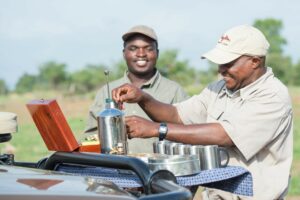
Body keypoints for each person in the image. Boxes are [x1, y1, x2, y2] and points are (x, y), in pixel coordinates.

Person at [112, 25, 293, 199]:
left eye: (228, 63)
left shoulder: (272, 95)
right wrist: (143, 98)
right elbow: (177, 115)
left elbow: (225, 135)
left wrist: (157, 129)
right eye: (219, 63)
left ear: (255, 61)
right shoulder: (219, 88)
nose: (221, 70)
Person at [84, 25, 188, 153]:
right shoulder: (106, 91)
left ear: (157, 53)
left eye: (148, 49)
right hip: (115, 169)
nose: (141, 54)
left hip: (160, 169)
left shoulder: (174, 90)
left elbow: (188, 134)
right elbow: (89, 138)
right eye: (133, 49)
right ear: (124, 54)